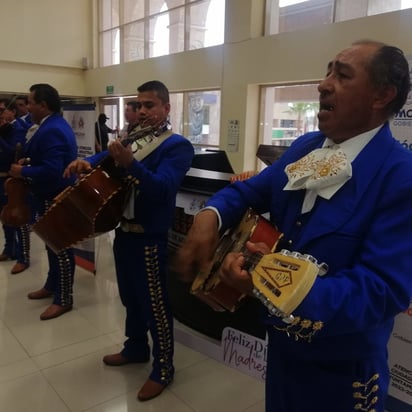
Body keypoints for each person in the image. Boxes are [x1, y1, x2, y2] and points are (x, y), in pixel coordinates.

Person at [173, 40, 412, 412]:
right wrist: (210, 216)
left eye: (342, 75)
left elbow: (380, 290)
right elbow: (249, 193)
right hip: (283, 354)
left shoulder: (401, 176)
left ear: (382, 95)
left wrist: (268, 283)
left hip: (342, 374)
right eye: (328, 70)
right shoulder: (306, 147)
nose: (323, 84)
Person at [64, 80, 194, 402]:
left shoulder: (176, 146)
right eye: (140, 105)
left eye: (150, 105)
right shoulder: (132, 139)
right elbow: (107, 159)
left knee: (155, 306)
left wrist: (130, 164)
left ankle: (164, 368)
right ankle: (135, 348)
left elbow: (163, 188)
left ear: (166, 108)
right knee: (130, 299)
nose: (143, 111)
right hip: (123, 233)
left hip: (150, 239)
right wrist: (88, 163)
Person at [8, 83, 78, 320]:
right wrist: (28, 161)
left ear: (43, 105)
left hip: (55, 197)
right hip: (46, 196)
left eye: (30, 102)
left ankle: (64, 298)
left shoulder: (53, 129)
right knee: (52, 247)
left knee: (62, 250)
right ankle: (52, 285)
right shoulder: (46, 126)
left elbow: (53, 170)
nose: (26, 107)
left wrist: (22, 173)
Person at [0, 98, 31, 274]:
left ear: (10, 111)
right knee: (5, 216)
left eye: (2, 110)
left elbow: (13, 151)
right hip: (1, 178)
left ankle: (23, 256)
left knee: (19, 218)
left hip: (13, 178)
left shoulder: (18, 128)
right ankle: (9, 248)